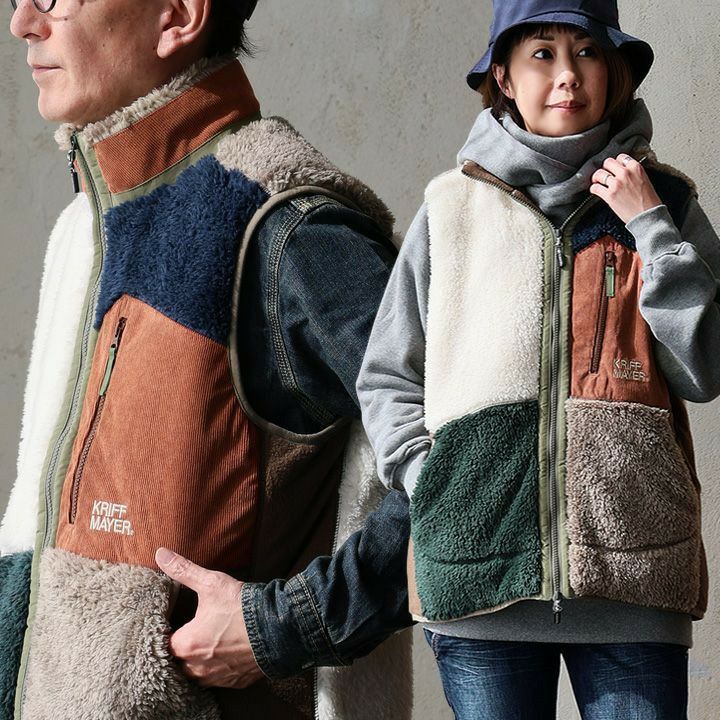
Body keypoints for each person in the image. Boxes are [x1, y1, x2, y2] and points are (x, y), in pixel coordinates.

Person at [0, 1, 414, 718]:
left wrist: (283, 627)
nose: (24, 23)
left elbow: (477, 460)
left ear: (179, 15)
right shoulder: (87, 224)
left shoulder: (282, 224)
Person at [357, 1, 720, 718]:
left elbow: (703, 369)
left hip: (633, 580)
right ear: (504, 76)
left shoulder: (668, 204)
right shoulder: (450, 208)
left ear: (612, 70)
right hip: (479, 585)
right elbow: (388, 374)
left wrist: (649, 225)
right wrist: (434, 481)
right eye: (542, 54)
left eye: (586, 52)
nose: (567, 75)